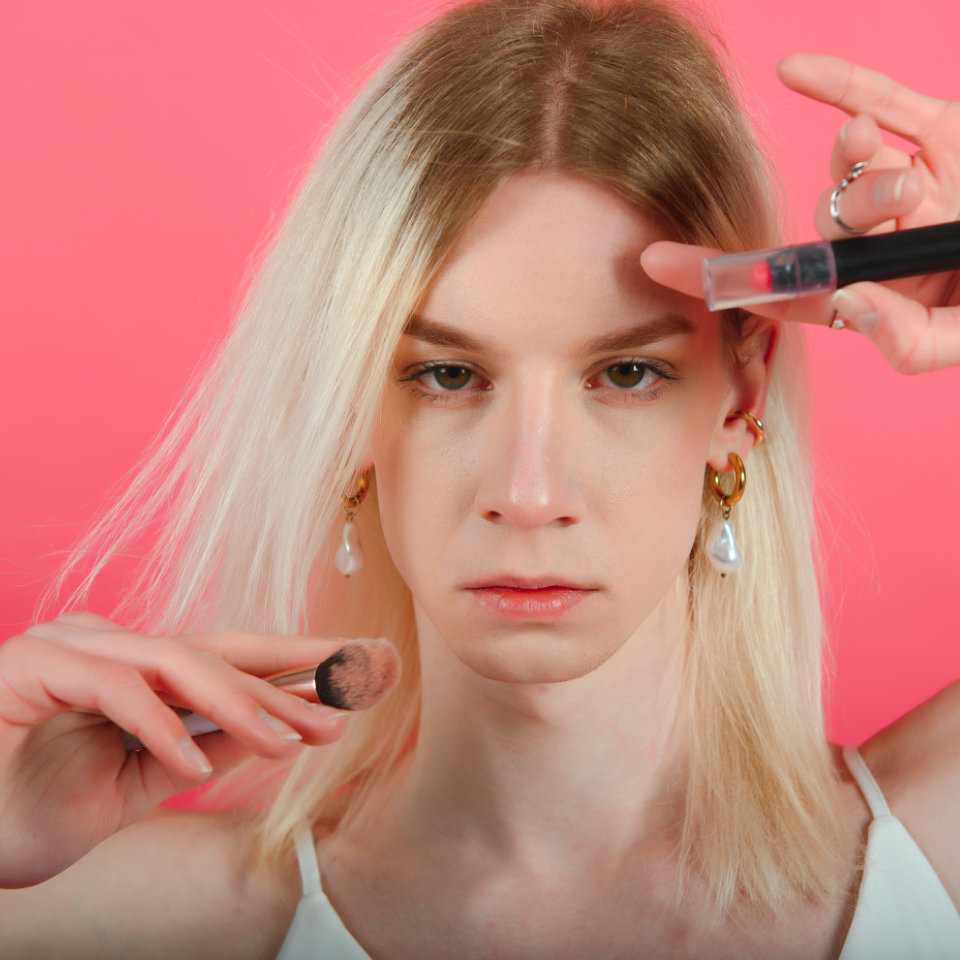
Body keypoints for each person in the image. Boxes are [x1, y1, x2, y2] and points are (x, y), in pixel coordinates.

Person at [2, 0, 959, 956]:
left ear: (737, 390)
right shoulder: (133, 917)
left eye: (627, 373)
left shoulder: (934, 840)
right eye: (447, 375)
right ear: (350, 404)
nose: (530, 494)